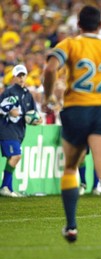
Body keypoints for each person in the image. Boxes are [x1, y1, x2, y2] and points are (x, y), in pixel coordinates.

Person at [43, 5, 101, 243]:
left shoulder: (71, 44)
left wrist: (48, 97)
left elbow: (50, 67)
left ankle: (71, 226)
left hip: (76, 109)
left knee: (71, 169)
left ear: (78, 25)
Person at [0, 64, 43, 197]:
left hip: (19, 131)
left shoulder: (28, 94)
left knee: (12, 158)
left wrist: (37, 120)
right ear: (14, 77)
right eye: (19, 75)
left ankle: (8, 188)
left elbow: (33, 113)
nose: (21, 78)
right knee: (16, 156)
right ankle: (5, 187)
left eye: (23, 75)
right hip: (7, 129)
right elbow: (1, 107)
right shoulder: (9, 91)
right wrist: (8, 111)